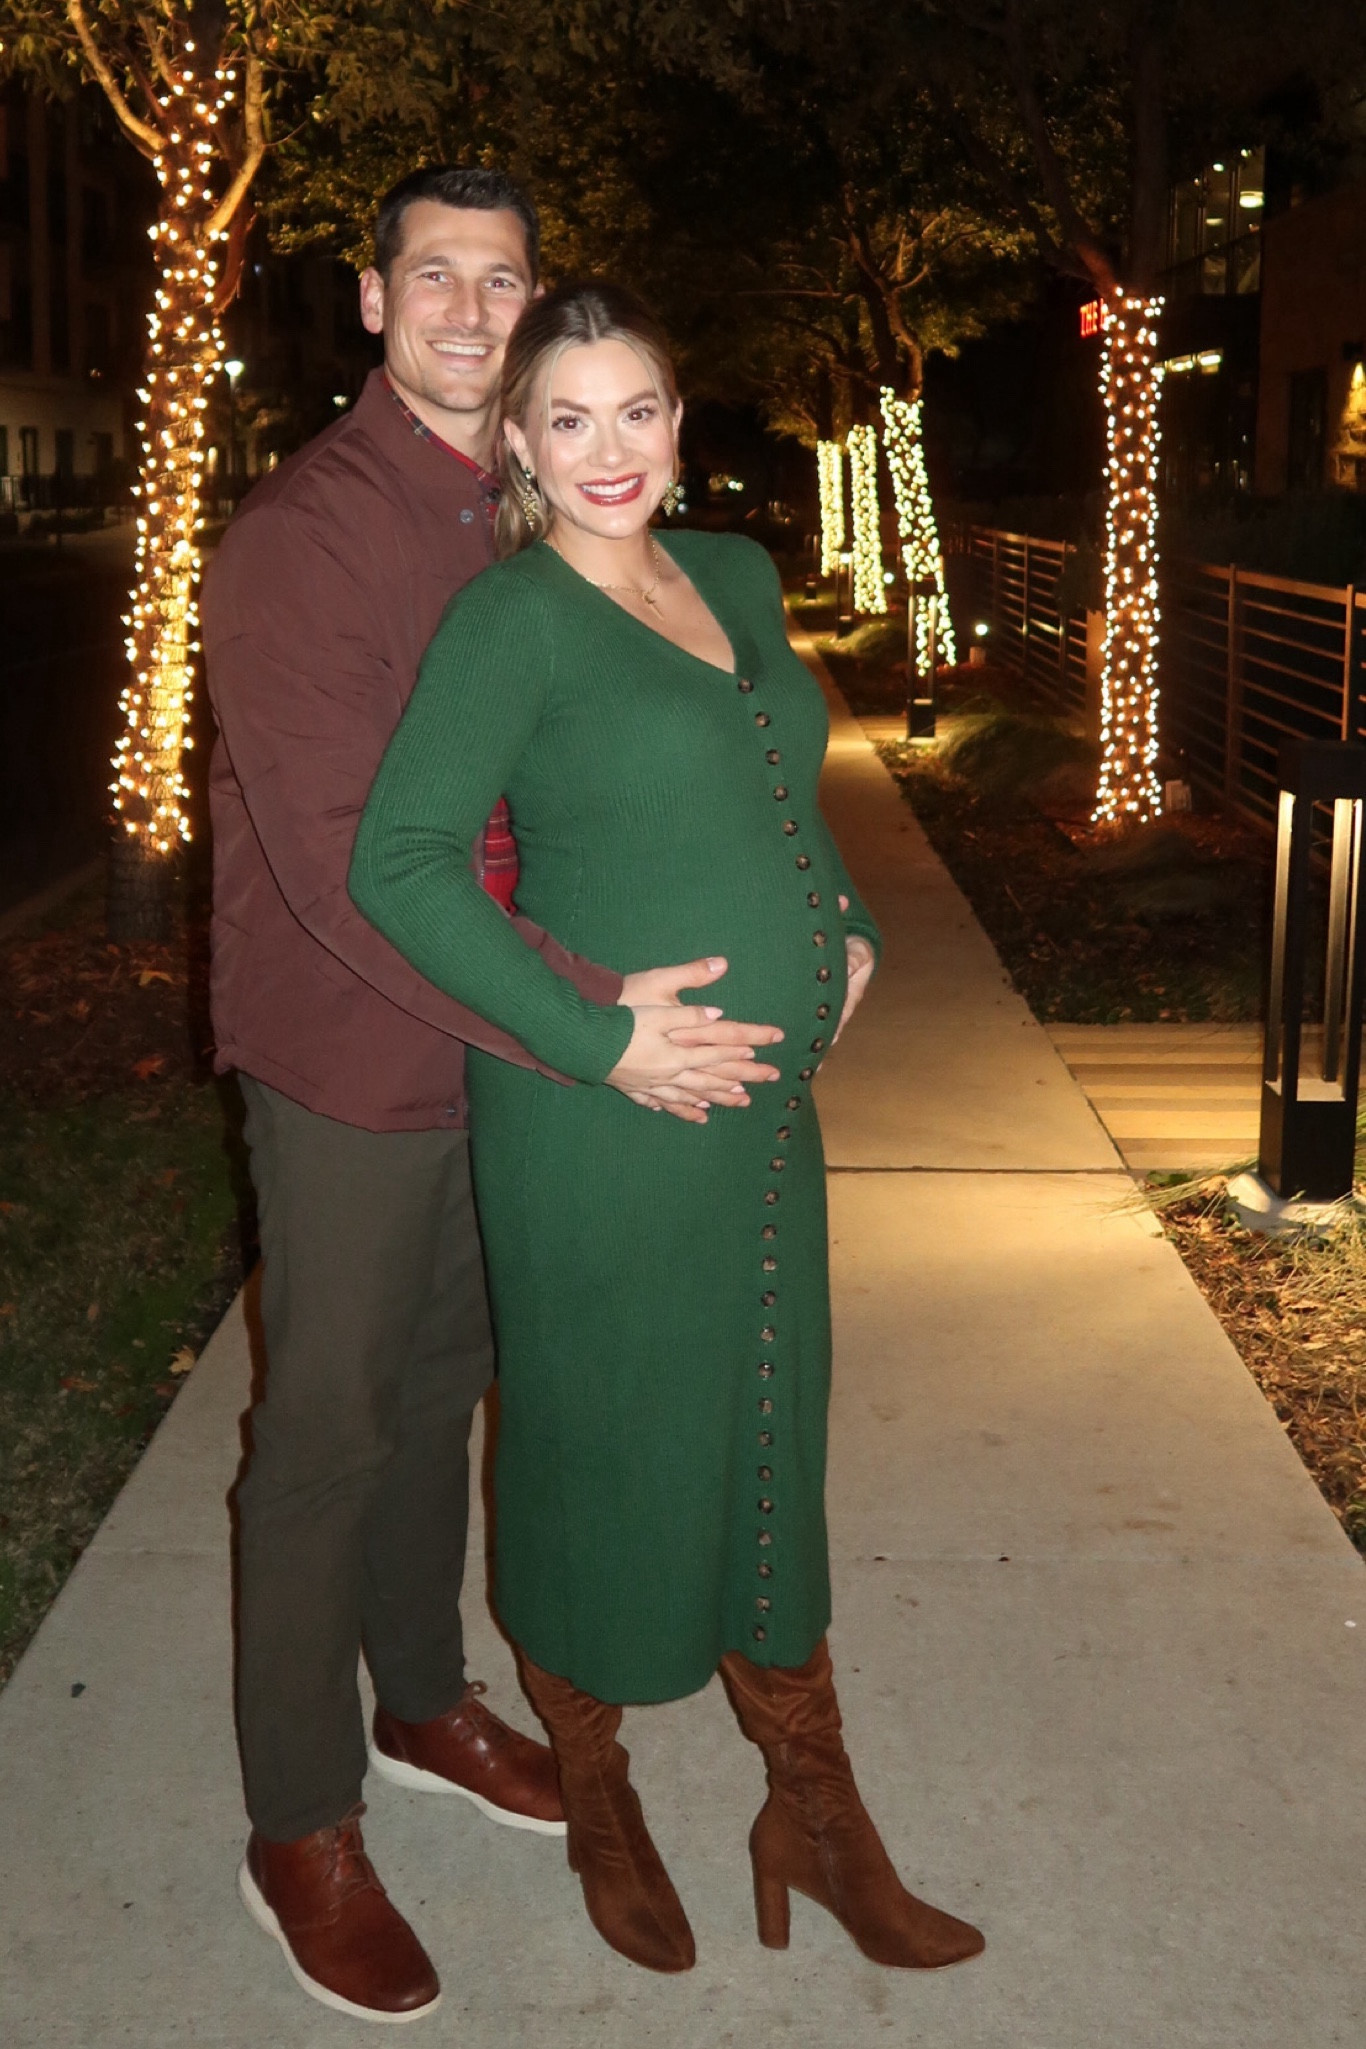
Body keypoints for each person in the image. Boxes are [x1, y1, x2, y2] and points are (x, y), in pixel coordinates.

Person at [202, 170, 786, 2026]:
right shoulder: (307, 537)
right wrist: (594, 1026)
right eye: (431, 277)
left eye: (500, 279)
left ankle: (418, 1695)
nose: (467, 306)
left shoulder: (527, 518)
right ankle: (298, 1821)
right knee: (325, 1434)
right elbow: (338, 866)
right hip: (362, 1065)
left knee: (452, 1386)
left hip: (508, 1065)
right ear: (369, 305)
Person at [349, 281, 986, 1978]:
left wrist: (844, 922)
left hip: (760, 1118)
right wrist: (601, 1038)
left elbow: (783, 781)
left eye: (637, 409)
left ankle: (815, 1810)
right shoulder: (508, 623)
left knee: (770, 1424)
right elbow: (397, 861)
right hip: (598, 1126)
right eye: (568, 418)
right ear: (518, 445)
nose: (608, 448)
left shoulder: (732, 577)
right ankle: (600, 1785)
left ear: (679, 422)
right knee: (597, 1445)